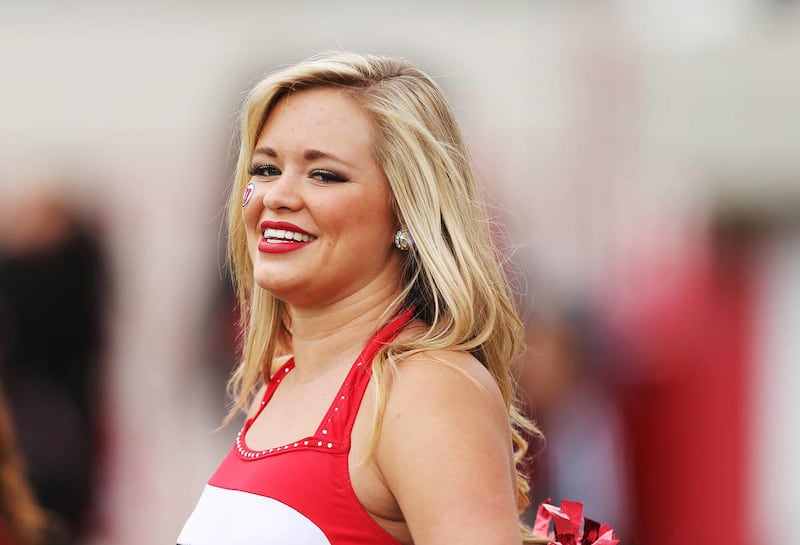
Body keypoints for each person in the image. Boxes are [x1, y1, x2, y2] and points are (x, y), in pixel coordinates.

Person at [178, 51, 545, 545]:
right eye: (265, 169)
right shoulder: (278, 384)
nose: (276, 196)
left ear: (407, 209)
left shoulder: (426, 388)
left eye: (324, 175)